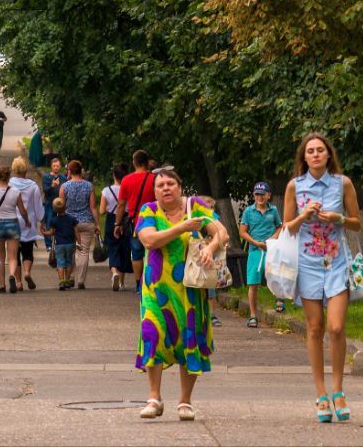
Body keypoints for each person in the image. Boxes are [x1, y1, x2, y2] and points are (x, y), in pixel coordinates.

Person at [135, 166, 228, 420]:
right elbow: (149, 240)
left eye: (170, 184)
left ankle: (185, 402)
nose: (166, 188)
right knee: (152, 334)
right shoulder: (148, 211)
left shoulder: (196, 206)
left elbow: (222, 232)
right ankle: (154, 397)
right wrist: (183, 228)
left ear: (180, 187)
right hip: (156, 289)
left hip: (190, 289)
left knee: (190, 338)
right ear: (154, 191)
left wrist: (210, 246)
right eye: (160, 185)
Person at [284, 133, 360, 423]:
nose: (315, 155)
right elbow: (287, 228)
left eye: (320, 150)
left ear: (329, 155)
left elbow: (356, 223)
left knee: (337, 327)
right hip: (307, 264)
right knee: (315, 329)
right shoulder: (295, 186)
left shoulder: (343, 183)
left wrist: (337, 218)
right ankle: (320, 395)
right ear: (304, 158)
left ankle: (338, 390)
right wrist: (304, 216)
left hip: (337, 261)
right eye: (310, 151)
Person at [240, 180, 285, 327]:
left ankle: (279, 299)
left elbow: (280, 227)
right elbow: (243, 232)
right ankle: (253, 316)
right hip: (255, 249)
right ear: (254, 195)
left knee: (276, 275)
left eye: (262, 194)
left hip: (271, 249)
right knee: (253, 283)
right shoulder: (248, 211)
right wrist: (255, 242)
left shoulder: (273, 210)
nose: (260, 197)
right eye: (257, 194)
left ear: (268, 195)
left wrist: (272, 238)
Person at [0, 166, 30, 295]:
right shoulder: (16, 192)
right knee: (13, 256)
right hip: (13, 223)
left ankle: (2, 285)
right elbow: (22, 211)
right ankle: (12, 275)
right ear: (9, 177)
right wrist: (27, 221)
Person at [116, 150, 155, 294]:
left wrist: (117, 223)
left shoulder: (126, 180)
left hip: (135, 222)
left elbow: (121, 204)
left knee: (137, 253)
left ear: (134, 163)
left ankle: (139, 284)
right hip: (153, 220)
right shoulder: (155, 179)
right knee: (151, 252)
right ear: (146, 162)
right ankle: (150, 281)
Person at [58, 160, 99, 290]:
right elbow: (93, 207)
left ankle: (69, 277)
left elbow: (61, 207)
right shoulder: (89, 186)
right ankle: (81, 280)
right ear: (81, 171)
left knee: (70, 251)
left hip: (69, 223)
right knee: (84, 251)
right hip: (86, 222)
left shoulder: (64, 186)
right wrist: (97, 224)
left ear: (69, 171)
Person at [8, 159, 44, 290]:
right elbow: (37, 205)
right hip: (28, 221)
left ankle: (18, 281)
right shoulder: (33, 186)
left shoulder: (10, 183)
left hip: (13, 220)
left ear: (14, 169)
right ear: (26, 169)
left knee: (14, 252)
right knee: (28, 249)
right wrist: (42, 220)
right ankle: (27, 272)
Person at [99, 163, 133, 291]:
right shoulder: (129, 189)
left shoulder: (106, 191)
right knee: (124, 249)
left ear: (113, 174)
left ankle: (114, 272)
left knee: (112, 248)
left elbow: (102, 210)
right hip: (126, 220)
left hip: (111, 220)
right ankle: (122, 283)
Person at [41, 197, 78, 290]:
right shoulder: (72, 219)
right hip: (70, 244)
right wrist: (78, 242)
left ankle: (62, 281)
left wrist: (44, 233)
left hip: (59, 245)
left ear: (54, 209)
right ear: (66, 207)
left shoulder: (54, 220)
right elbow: (76, 232)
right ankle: (67, 279)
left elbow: (52, 232)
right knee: (69, 262)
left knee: (60, 263)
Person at [40, 157, 67, 250]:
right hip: (49, 203)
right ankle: (48, 244)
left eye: (58, 166)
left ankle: (59, 242)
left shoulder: (63, 178)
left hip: (60, 204)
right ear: (51, 166)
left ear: (60, 167)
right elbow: (45, 190)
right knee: (49, 223)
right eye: (54, 166)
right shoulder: (46, 177)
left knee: (61, 223)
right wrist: (52, 186)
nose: (56, 167)